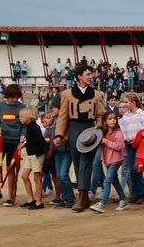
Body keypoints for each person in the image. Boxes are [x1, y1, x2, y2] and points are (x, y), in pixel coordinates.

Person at [53, 65, 105, 212]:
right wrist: (59, 135)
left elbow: (101, 114)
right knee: (77, 162)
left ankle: (82, 196)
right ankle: (85, 197)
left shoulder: (96, 94)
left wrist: (99, 125)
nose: (91, 76)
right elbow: (63, 116)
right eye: (88, 74)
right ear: (79, 77)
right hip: (75, 127)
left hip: (90, 129)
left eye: (91, 74)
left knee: (86, 162)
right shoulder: (67, 94)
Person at [0, 84, 26, 207]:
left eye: (16, 97)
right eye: (12, 97)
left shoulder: (23, 107)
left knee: (11, 170)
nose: (14, 100)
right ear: (6, 96)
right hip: (1, 141)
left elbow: (25, 125)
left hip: (15, 142)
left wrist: (23, 135)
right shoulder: (0, 106)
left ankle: (11, 197)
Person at [89, 111, 129, 213]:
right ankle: (123, 200)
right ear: (105, 122)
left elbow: (120, 146)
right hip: (108, 161)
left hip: (115, 160)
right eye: (110, 119)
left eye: (114, 118)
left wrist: (106, 142)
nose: (113, 120)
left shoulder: (118, 133)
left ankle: (102, 204)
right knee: (115, 181)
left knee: (107, 181)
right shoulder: (104, 133)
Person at [118, 93, 144, 205]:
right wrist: (125, 138)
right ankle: (135, 194)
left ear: (133, 102)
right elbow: (123, 131)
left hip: (140, 145)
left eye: (126, 102)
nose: (124, 104)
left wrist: (130, 137)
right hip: (130, 146)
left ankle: (142, 193)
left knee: (137, 169)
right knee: (131, 170)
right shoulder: (124, 117)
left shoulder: (142, 114)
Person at [18, 107, 45, 210]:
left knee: (36, 178)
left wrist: (37, 153)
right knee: (24, 176)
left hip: (36, 156)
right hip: (31, 155)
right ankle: (31, 199)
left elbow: (41, 142)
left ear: (29, 117)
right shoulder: (30, 127)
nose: (20, 118)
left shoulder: (34, 128)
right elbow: (34, 141)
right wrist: (25, 145)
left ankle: (38, 202)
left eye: (22, 117)